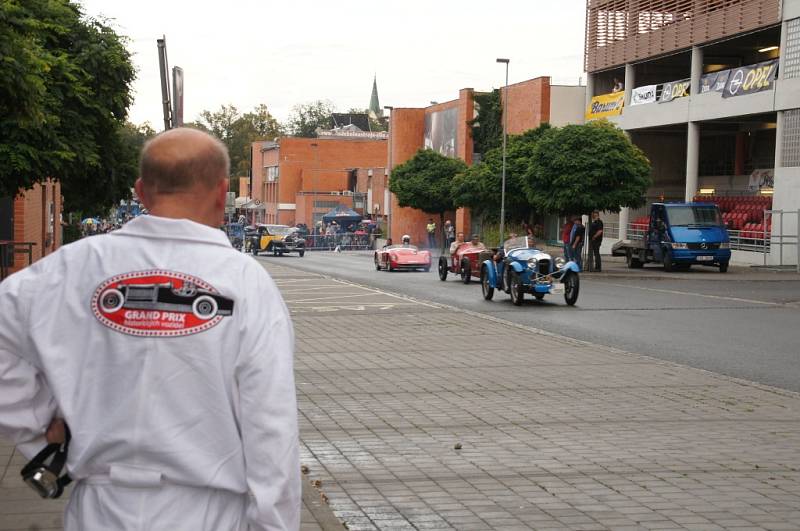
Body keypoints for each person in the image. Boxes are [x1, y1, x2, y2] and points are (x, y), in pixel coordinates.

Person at [0, 128, 300, 530]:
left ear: (140, 191)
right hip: (207, 514)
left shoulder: (70, 268)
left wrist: (40, 429)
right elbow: (271, 427)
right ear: (221, 191)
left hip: (98, 511)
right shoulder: (246, 284)